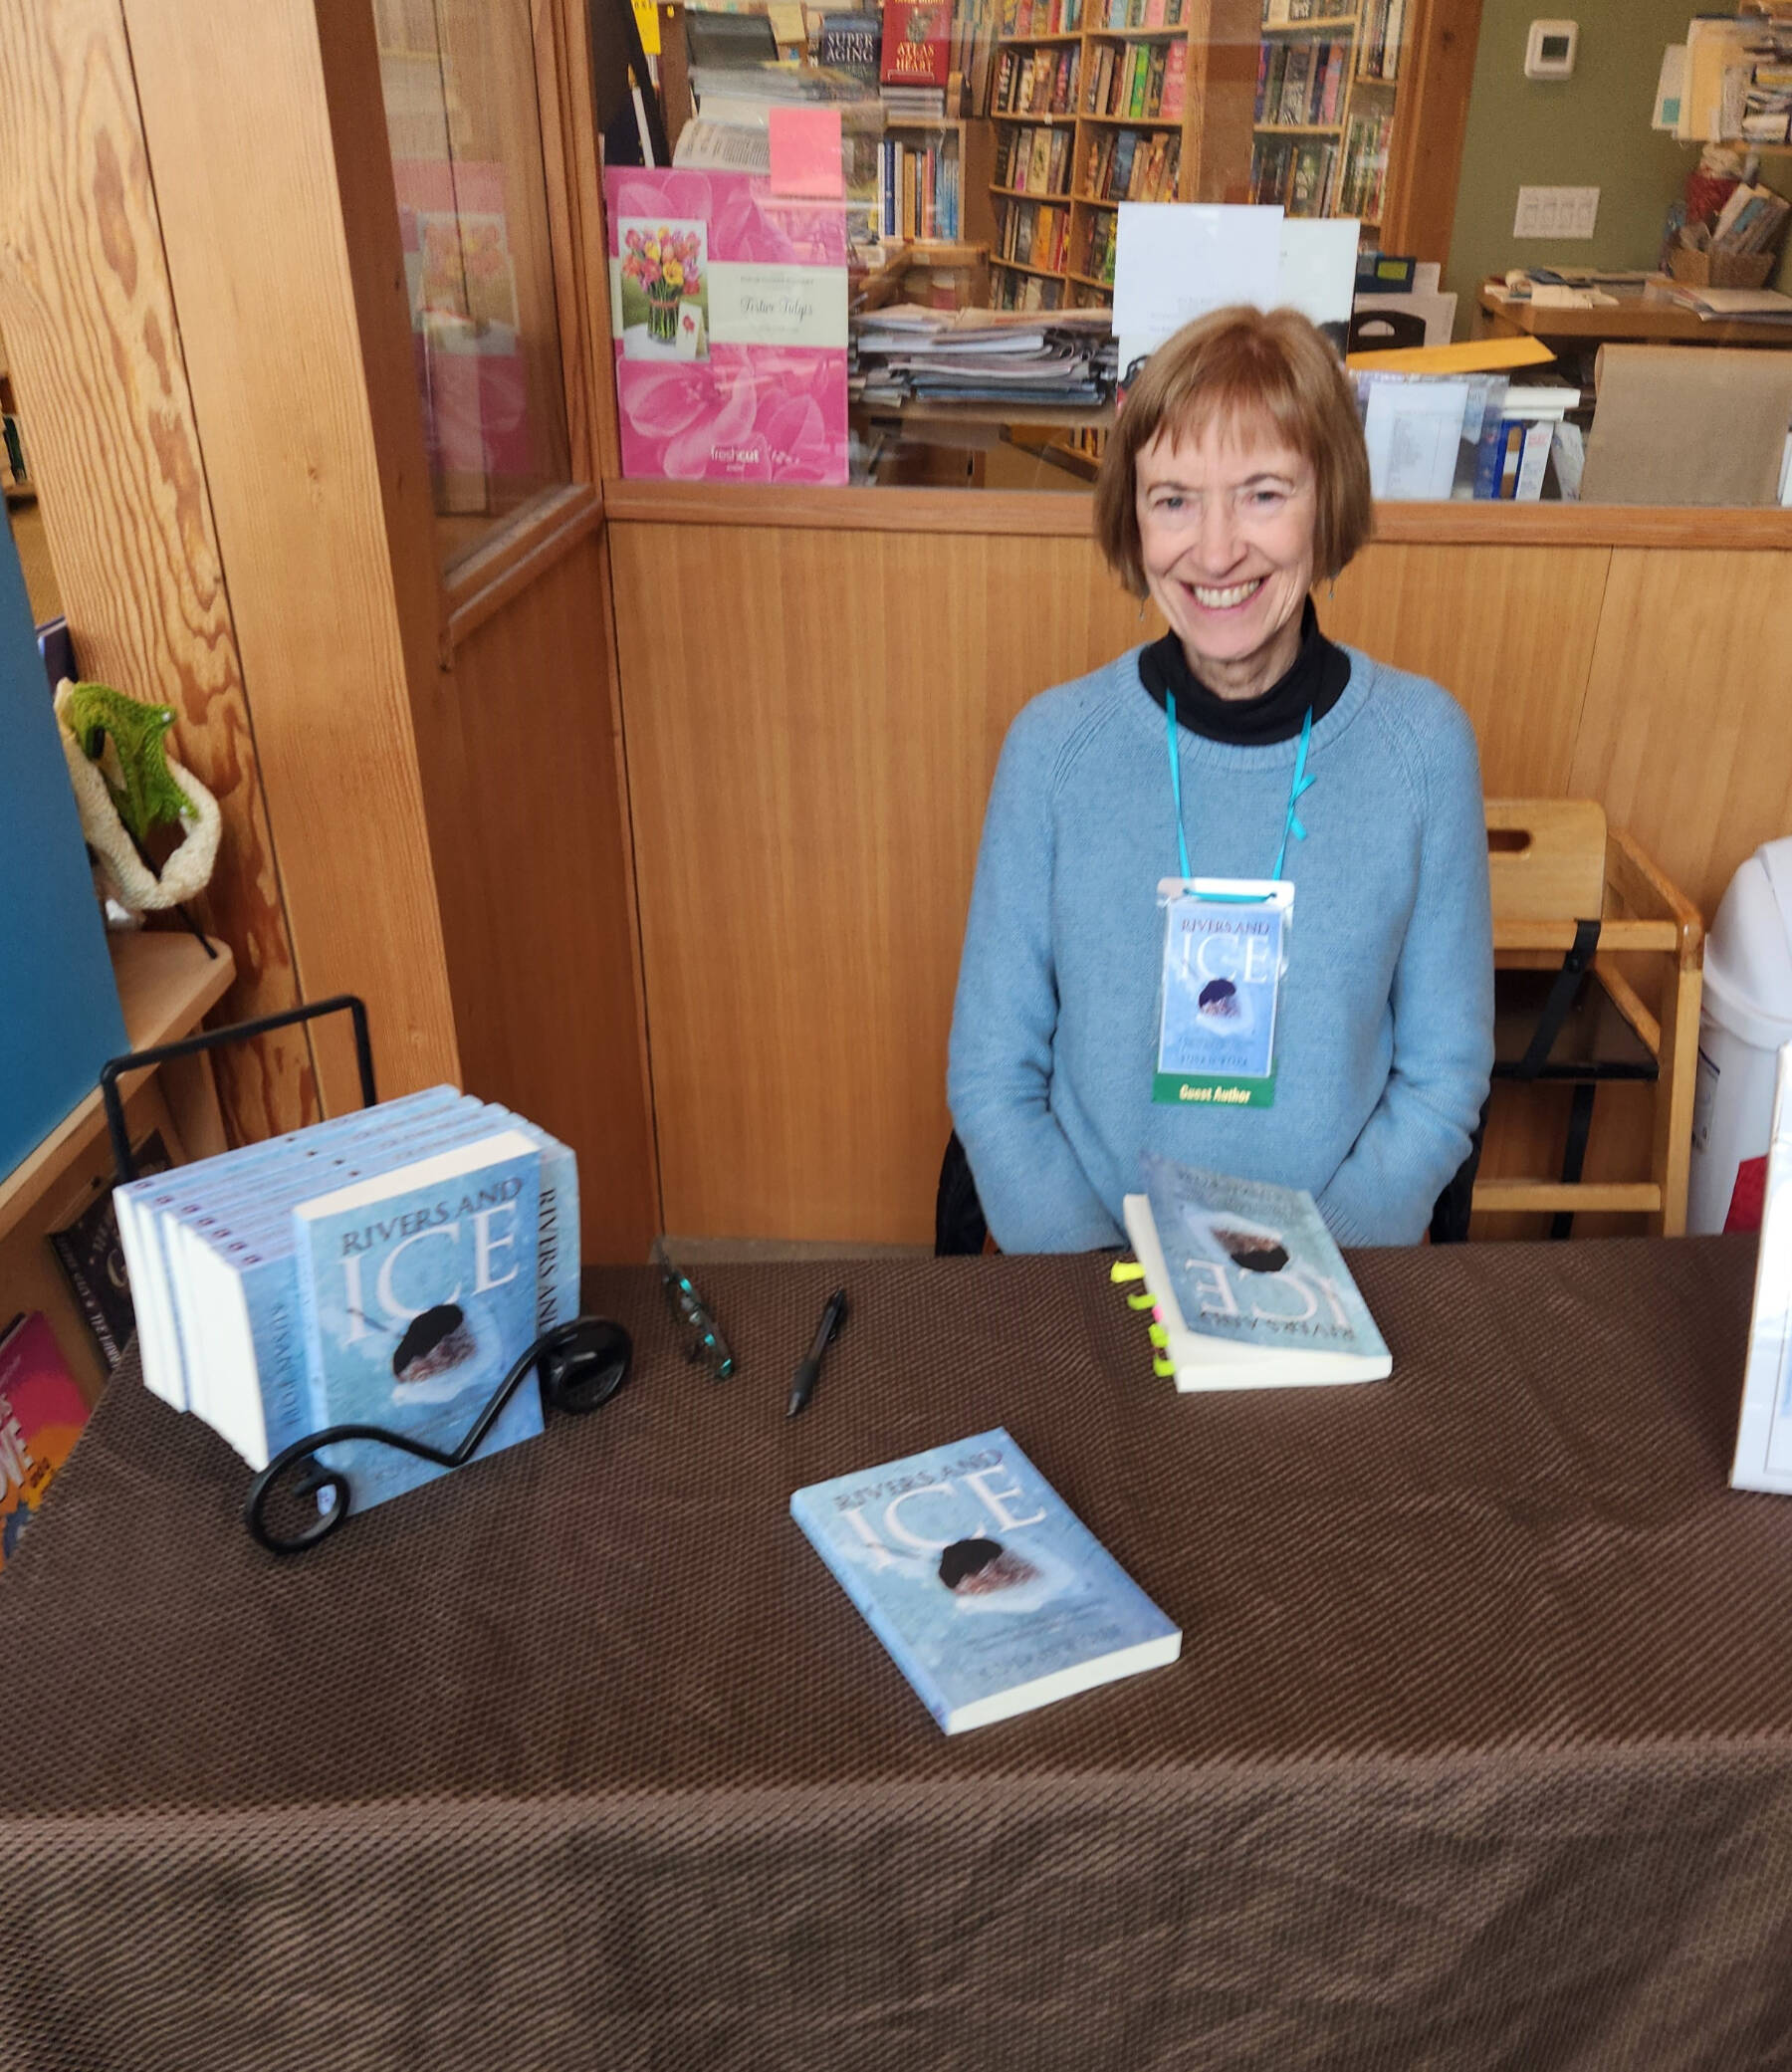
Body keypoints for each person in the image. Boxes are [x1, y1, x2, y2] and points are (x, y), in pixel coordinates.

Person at [948, 305, 1493, 1253]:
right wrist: (1107, 1289)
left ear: (1330, 503)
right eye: (1174, 500)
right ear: (1135, 521)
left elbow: (1443, 1080)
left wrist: (1306, 1277)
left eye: (1263, 494)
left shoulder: (1424, 749)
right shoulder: (1053, 750)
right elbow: (993, 1080)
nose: (1213, 550)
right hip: (1097, 1286)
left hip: (1332, 1282)